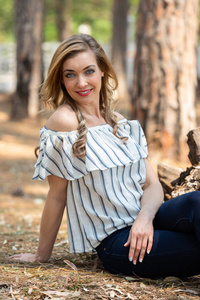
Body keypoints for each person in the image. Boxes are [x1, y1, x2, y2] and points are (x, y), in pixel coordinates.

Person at [10, 34, 200, 278]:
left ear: (102, 71)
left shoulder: (121, 124)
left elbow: (152, 185)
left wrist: (144, 219)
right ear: (61, 80)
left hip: (149, 220)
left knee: (196, 201)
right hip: (117, 242)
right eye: (70, 74)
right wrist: (41, 255)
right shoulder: (64, 122)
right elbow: (57, 195)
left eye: (88, 71)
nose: (81, 83)